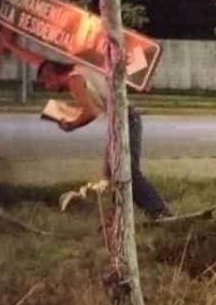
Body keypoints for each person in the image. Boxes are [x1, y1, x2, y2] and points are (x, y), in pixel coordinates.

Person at [36, 60, 172, 219]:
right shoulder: (79, 70)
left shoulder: (74, 79)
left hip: (125, 121)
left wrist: (71, 125)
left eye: (45, 81)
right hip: (121, 121)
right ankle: (119, 217)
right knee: (114, 174)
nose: (47, 86)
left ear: (52, 74)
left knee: (126, 172)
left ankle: (160, 212)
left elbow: (90, 112)